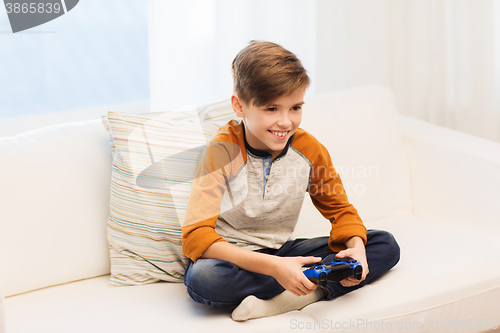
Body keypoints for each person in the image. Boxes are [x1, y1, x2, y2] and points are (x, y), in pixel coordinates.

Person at [181, 40, 400, 322]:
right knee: (205, 278)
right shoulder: (222, 150)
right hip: (232, 258)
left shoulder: (309, 149)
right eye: (271, 109)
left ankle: (290, 297)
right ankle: (302, 281)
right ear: (239, 105)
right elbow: (196, 237)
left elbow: (341, 212)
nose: (285, 121)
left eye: (295, 107)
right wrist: (274, 267)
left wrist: (356, 247)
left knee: (384, 244)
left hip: (283, 252)